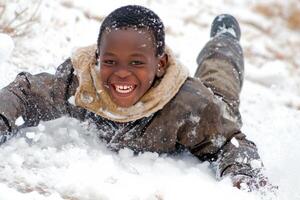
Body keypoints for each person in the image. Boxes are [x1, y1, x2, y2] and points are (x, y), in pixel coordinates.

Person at [0, 5, 273, 192]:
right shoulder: (80, 84)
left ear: (161, 63)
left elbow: (229, 142)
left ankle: (224, 39)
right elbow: (24, 92)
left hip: (211, 105)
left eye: (136, 62)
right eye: (110, 61)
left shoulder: (191, 106)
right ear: (97, 58)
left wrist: (243, 175)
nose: (121, 74)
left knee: (220, 75)